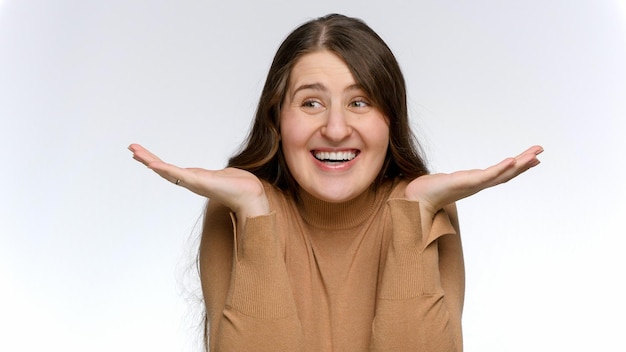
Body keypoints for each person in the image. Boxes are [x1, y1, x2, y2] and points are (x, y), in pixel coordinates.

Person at [129, 13, 542, 352]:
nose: (336, 128)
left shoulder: (423, 206)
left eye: (359, 102)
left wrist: (414, 210)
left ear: (390, 119)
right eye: (311, 103)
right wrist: (255, 211)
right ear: (276, 117)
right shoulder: (237, 207)